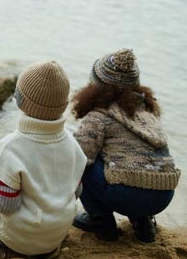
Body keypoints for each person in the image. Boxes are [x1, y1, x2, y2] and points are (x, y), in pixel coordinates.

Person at [0, 61, 87, 259]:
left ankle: (9, 249)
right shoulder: (72, 143)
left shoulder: (13, 146)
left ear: (20, 100)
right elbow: (77, 190)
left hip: (25, 237)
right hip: (56, 234)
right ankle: (48, 248)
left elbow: (5, 205)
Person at [71, 48, 180, 243]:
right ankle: (143, 223)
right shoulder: (146, 114)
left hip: (130, 196)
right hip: (165, 194)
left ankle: (101, 222)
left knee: (81, 160)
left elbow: (77, 158)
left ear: (96, 85)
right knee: (134, 162)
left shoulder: (99, 116)